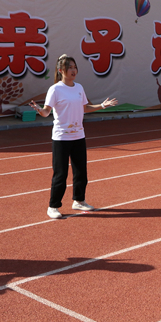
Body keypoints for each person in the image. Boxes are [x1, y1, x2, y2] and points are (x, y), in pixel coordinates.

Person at [30, 55, 118, 219]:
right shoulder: (55, 89)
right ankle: (53, 206)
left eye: (75, 67)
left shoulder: (79, 88)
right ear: (61, 70)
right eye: (70, 67)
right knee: (60, 174)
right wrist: (38, 109)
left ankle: (79, 200)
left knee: (81, 172)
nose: (73, 70)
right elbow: (46, 112)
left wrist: (103, 105)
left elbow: (85, 108)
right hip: (61, 138)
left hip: (79, 136)